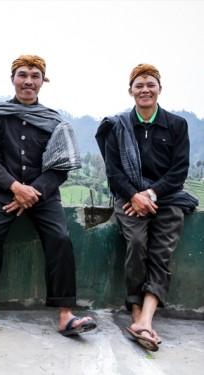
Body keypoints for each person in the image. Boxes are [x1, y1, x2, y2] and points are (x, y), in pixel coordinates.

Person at [0, 54, 97, 336]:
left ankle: (66, 315)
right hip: (2, 191)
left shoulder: (55, 122)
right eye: (23, 75)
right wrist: (16, 188)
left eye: (35, 76)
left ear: (43, 81)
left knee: (60, 239)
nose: (28, 81)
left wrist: (34, 191)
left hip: (44, 194)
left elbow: (61, 167)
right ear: (12, 79)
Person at [95, 64, 198, 351]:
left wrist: (150, 194)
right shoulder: (118, 127)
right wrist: (134, 196)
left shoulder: (177, 125)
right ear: (131, 91)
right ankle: (137, 311)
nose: (145, 89)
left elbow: (179, 171)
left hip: (166, 198)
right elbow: (114, 173)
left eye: (150, 84)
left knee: (161, 251)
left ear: (159, 89)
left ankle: (146, 319)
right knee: (137, 243)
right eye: (139, 85)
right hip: (128, 199)